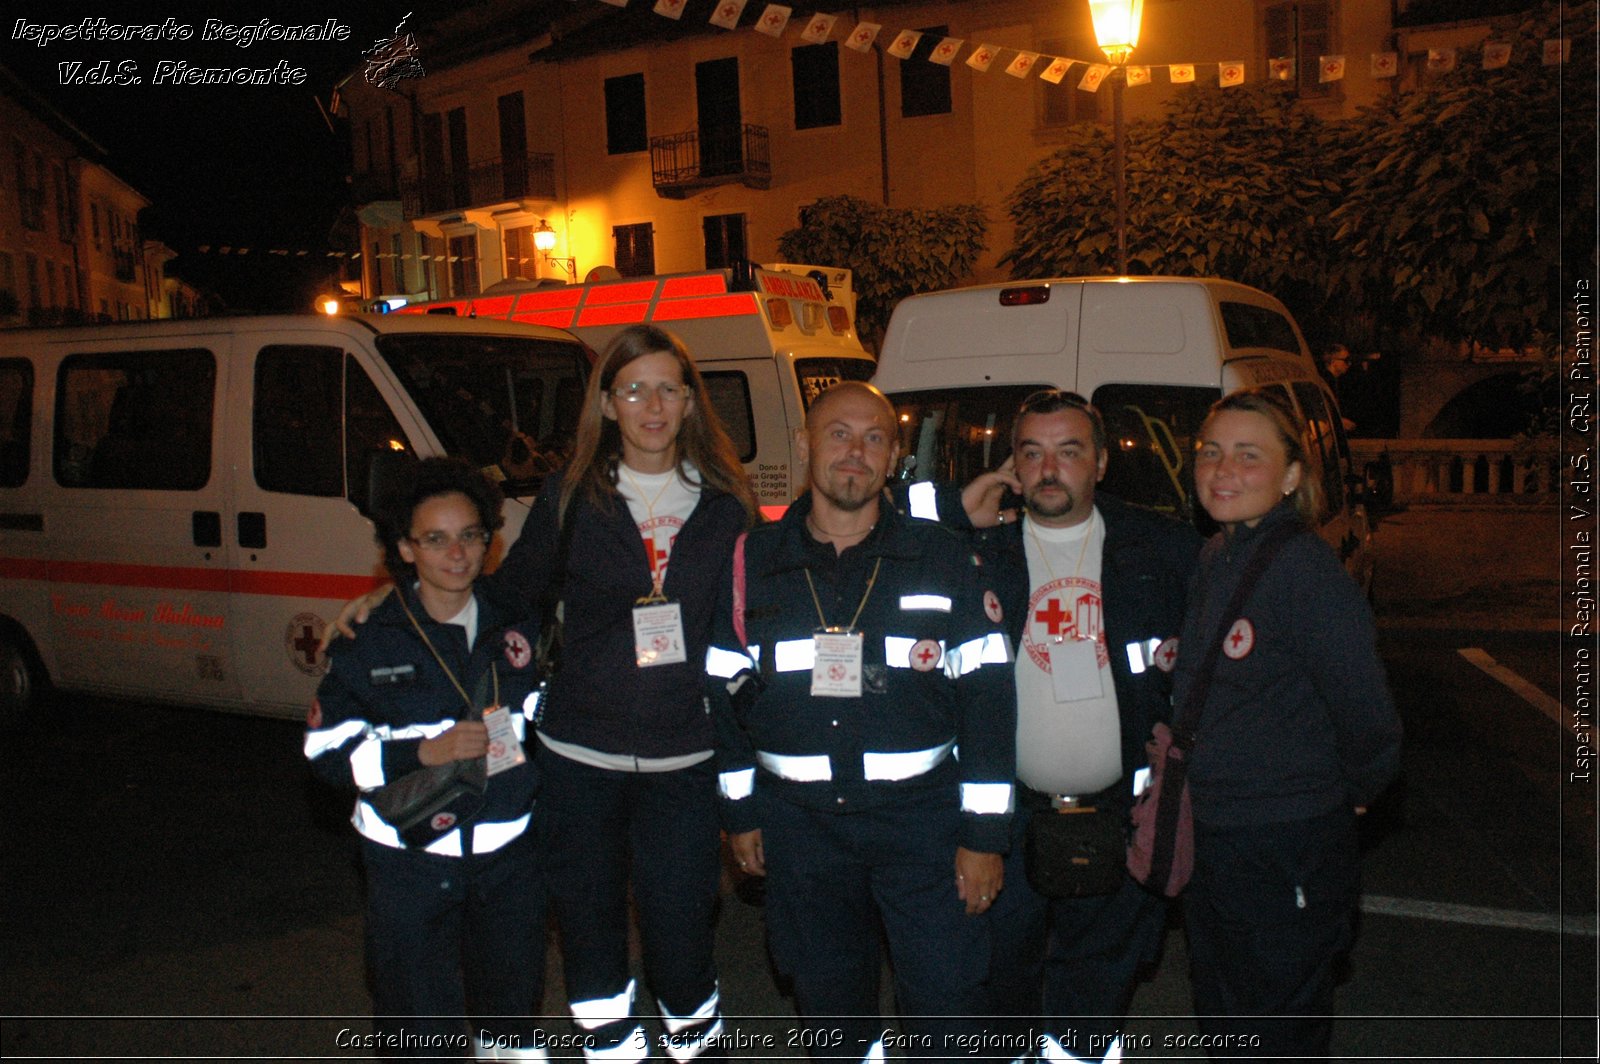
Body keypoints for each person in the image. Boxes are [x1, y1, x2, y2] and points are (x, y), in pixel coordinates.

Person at [703, 381, 1016, 1062]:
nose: (855, 451)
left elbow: (990, 700)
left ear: (895, 456)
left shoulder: (944, 559)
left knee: (948, 1008)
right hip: (799, 829)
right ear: (806, 444)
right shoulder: (751, 562)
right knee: (831, 1011)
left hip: (925, 829)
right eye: (839, 433)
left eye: (875, 437)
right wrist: (742, 815)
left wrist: (985, 836)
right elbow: (722, 697)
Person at [905, 390, 1200, 1063]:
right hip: (1006, 828)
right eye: (1031, 453)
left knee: (1092, 1009)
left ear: (1099, 462)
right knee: (999, 994)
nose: (1048, 469)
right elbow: (849, 512)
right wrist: (950, 505)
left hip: (1123, 817)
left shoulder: (1164, 550)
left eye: (1068, 452)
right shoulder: (977, 550)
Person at [497, 324, 758, 1063]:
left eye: (668, 388)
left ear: (688, 403)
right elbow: (510, 595)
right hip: (579, 757)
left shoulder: (726, 503)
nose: (652, 403)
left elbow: (751, 623)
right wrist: (399, 609)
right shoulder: (572, 494)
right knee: (589, 930)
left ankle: (696, 1049)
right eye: (634, 387)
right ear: (608, 403)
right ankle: (611, 1050)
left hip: (685, 760)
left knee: (683, 933)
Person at [1175, 388, 1402, 1059]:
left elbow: (1367, 712)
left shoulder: (1303, 568)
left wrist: (1353, 790)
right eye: (1210, 453)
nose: (1222, 470)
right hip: (1216, 834)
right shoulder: (1219, 554)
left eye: (1249, 456)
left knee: (1277, 1025)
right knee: (1224, 1014)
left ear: (1292, 476)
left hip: (1283, 840)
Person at [304, 457, 548, 1060]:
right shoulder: (371, 636)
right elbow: (324, 751)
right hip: (408, 865)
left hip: (507, 861)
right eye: (435, 539)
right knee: (420, 1031)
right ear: (405, 548)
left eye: (470, 535)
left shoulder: (512, 621)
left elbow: (542, 716)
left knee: (512, 1022)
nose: (456, 553)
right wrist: (418, 753)